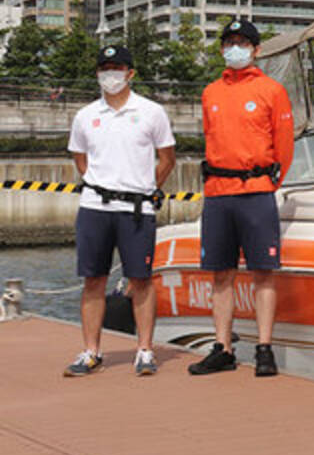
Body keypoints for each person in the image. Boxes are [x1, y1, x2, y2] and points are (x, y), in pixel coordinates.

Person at [189, 19, 293, 377]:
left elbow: (285, 147)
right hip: (218, 193)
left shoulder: (272, 90)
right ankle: (223, 348)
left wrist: (268, 184)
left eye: (243, 43)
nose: (236, 49)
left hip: (257, 191)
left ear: (256, 50)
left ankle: (264, 348)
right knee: (220, 274)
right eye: (230, 42)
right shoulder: (210, 92)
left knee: (263, 272)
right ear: (221, 49)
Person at [65, 45, 176, 376]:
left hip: (136, 209)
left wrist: (144, 187)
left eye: (116, 68)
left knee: (141, 280)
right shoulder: (85, 115)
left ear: (131, 73)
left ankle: (144, 350)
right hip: (95, 206)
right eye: (104, 68)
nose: (109, 74)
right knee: (93, 279)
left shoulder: (152, 111)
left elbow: (167, 158)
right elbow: (80, 158)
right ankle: (90, 351)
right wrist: (101, 183)